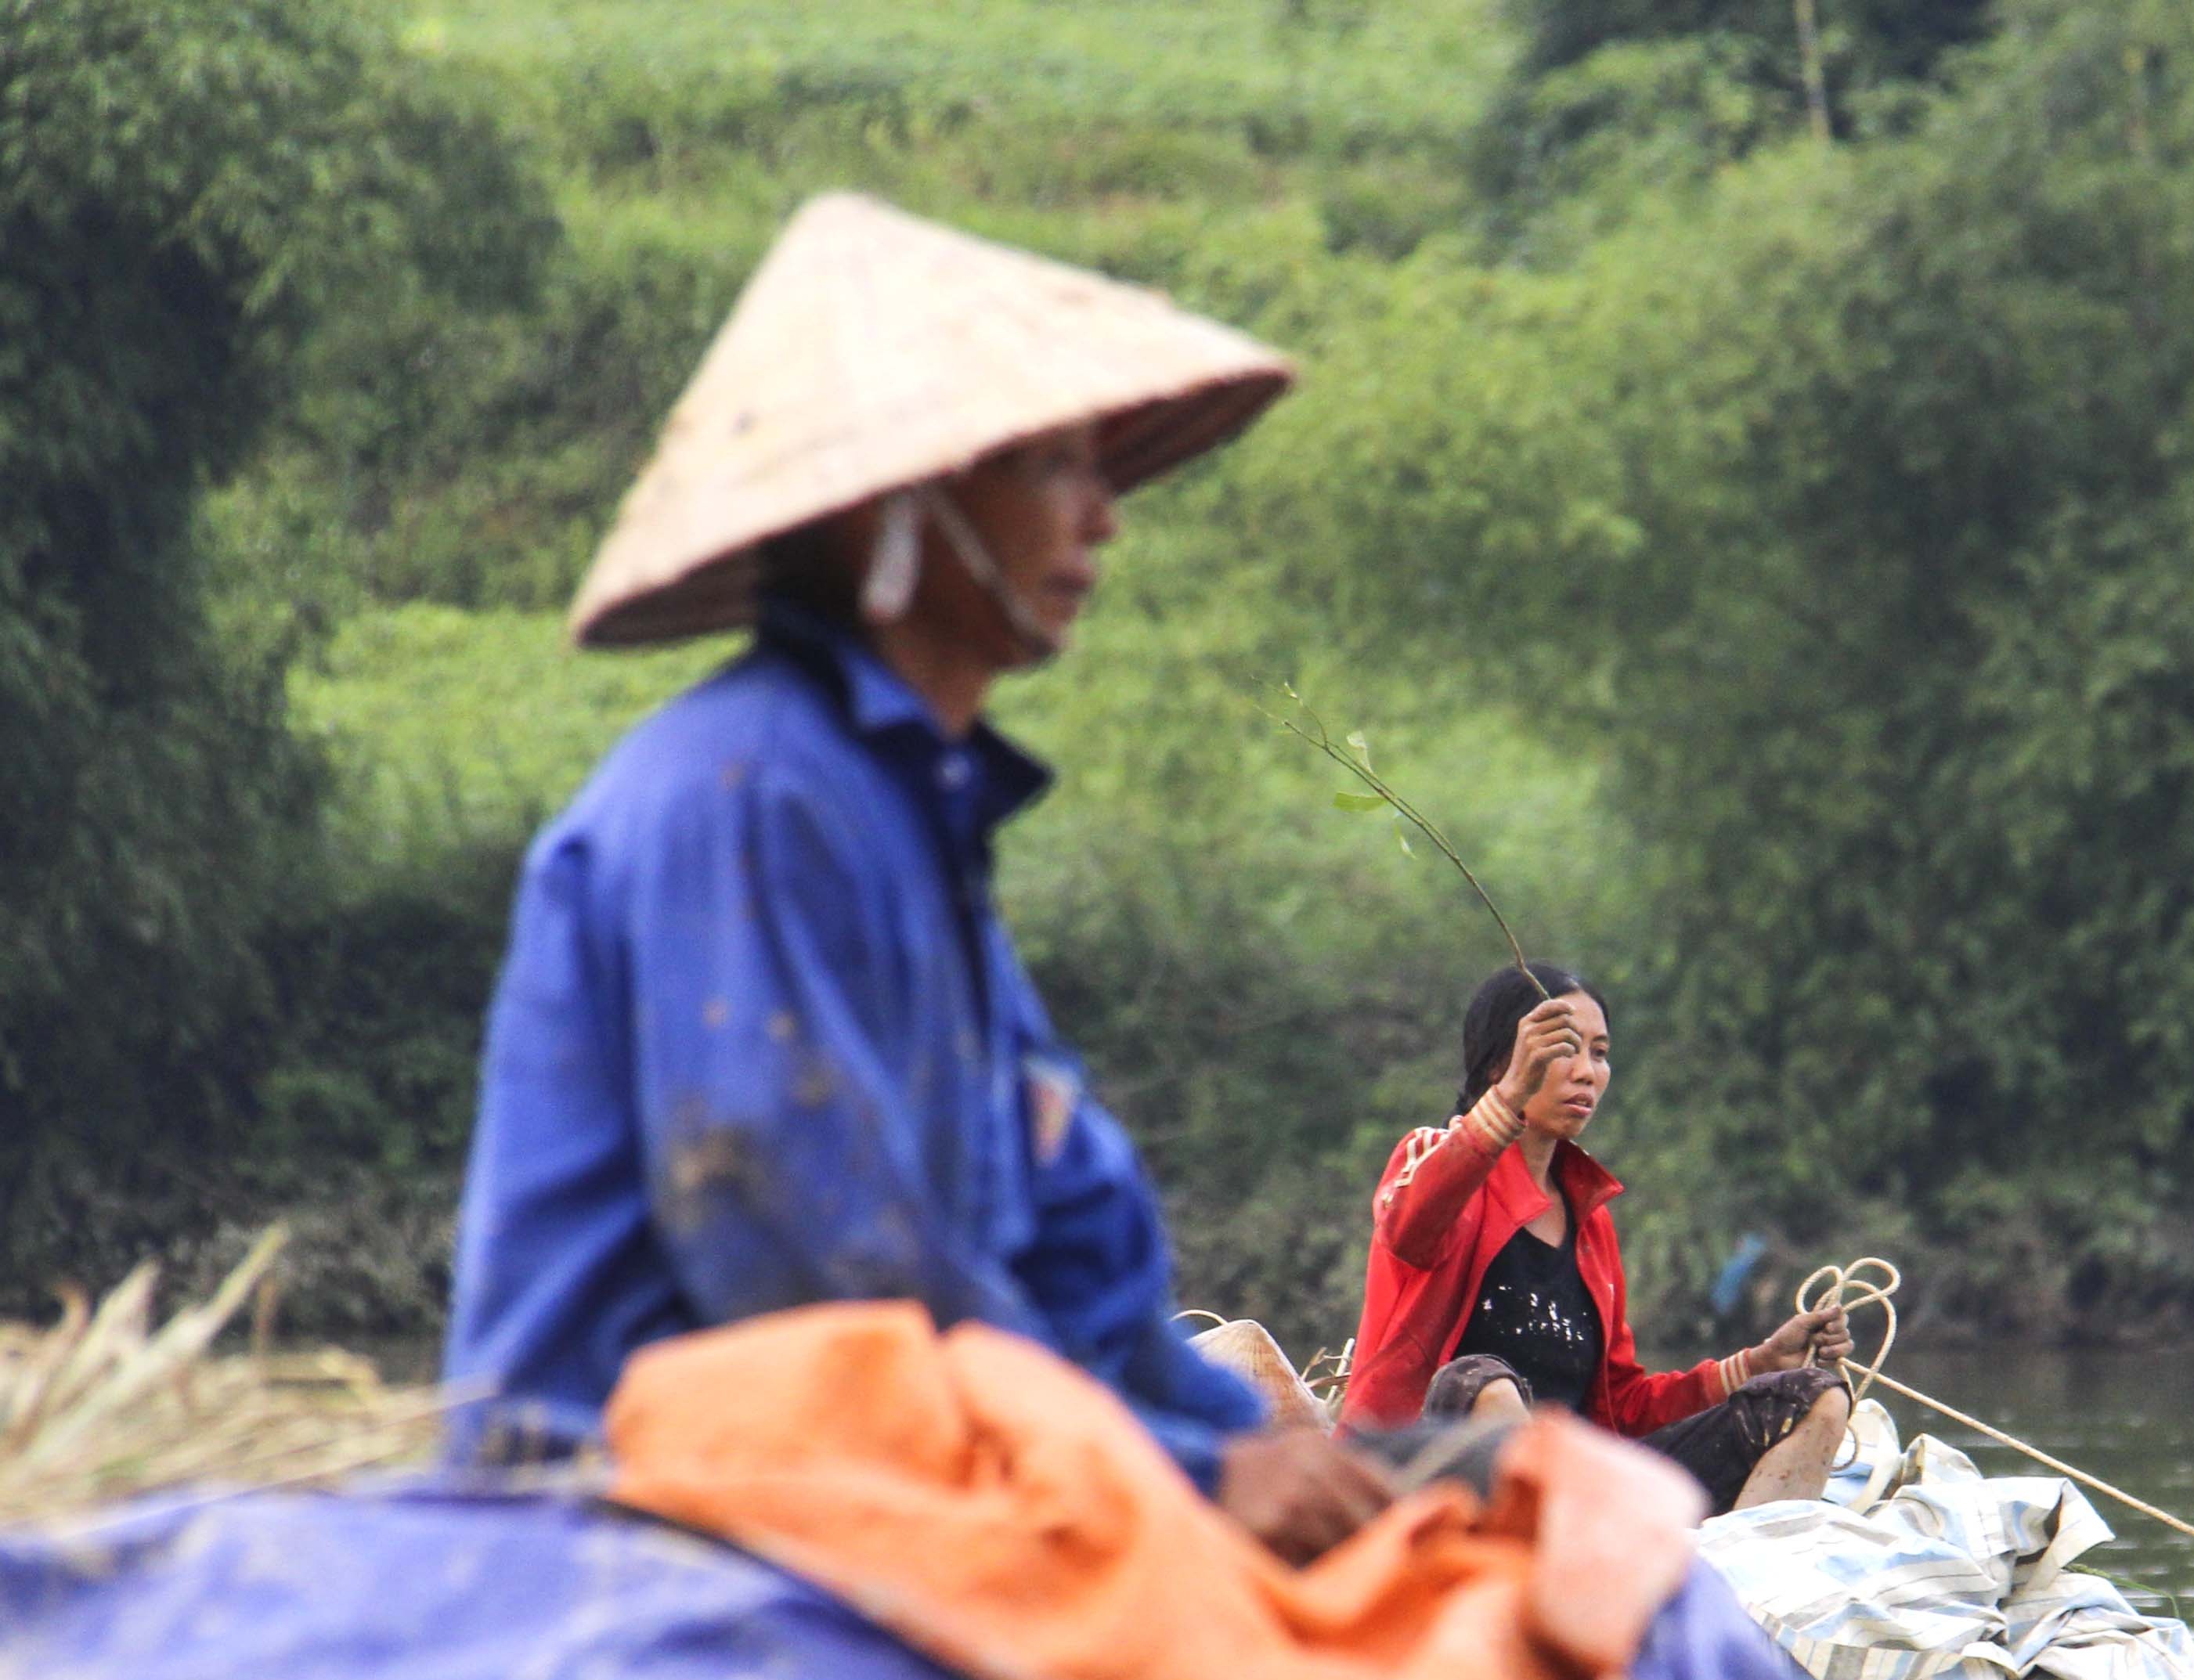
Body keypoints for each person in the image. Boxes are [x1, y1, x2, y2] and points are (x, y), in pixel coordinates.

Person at [442, 193, 1384, 1562]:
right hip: (645, 1529)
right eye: (1051, 467)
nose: (1101, 520)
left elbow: (1076, 1271)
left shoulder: (908, 821)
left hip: (925, 1487)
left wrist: (1265, 1451)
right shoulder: (748, 799)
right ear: (903, 508)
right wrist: (1182, 1484)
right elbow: (818, 1282)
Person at [1344, 963, 1853, 1516]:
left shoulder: (1590, 1219)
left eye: (1601, 1053)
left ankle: (1747, 1588)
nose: (1587, 1072)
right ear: (1500, 1062)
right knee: (1481, 1381)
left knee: (1813, 1398)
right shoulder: (1430, 1156)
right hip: (1423, 1476)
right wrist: (1510, 1095)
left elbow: (1624, 1406)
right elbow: (1409, 1227)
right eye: (1565, 1048)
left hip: (1579, 1491)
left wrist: (1758, 1363)